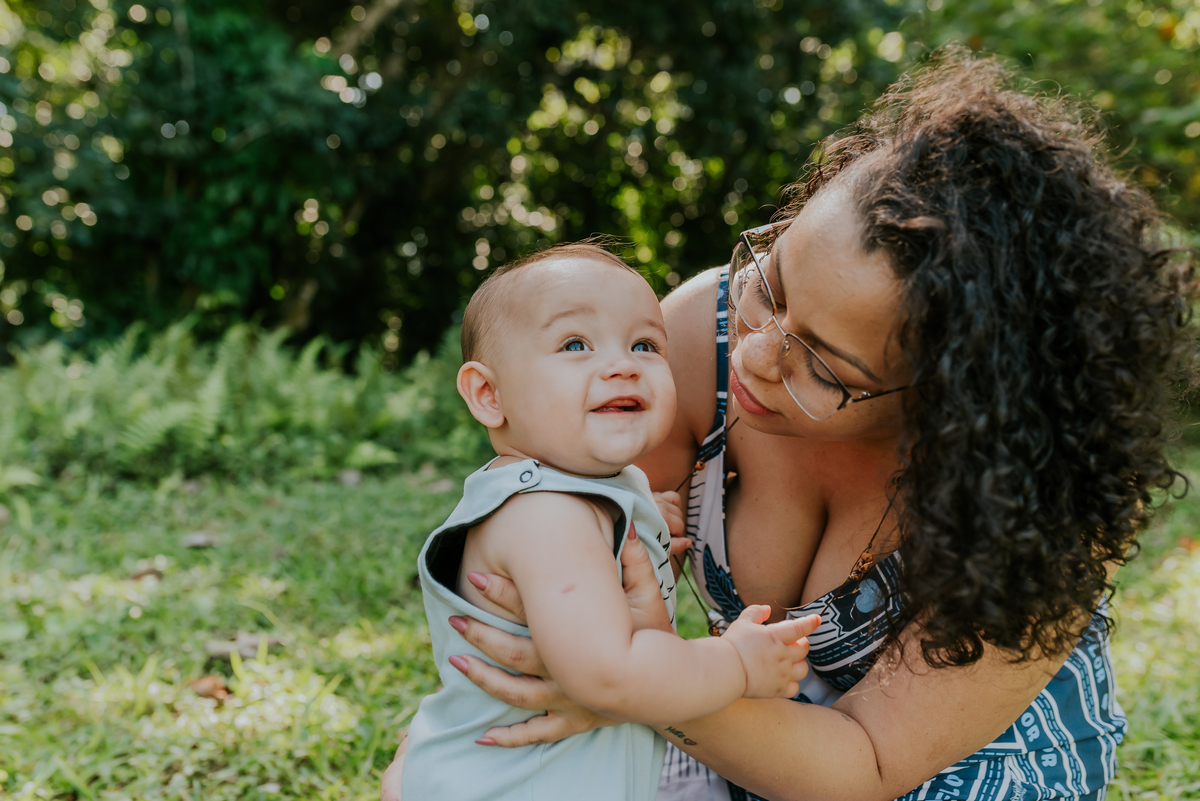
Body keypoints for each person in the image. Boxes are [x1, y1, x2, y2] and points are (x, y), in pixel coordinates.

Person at [383, 49, 1196, 801]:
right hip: (722, 713)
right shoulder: (702, 335)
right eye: (771, 282)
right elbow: (570, 544)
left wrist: (634, 689)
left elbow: (866, 762)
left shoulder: (1037, 498)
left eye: (827, 368)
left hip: (942, 768)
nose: (759, 356)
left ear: (956, 400)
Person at [401, 243, 821, 801]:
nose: (622, 363)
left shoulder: (587, 495)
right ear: (488, 394)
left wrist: (645, 520)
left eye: (645, 345)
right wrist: (736, 664)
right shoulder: (547, 516)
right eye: (575, 344)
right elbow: (609, 674)